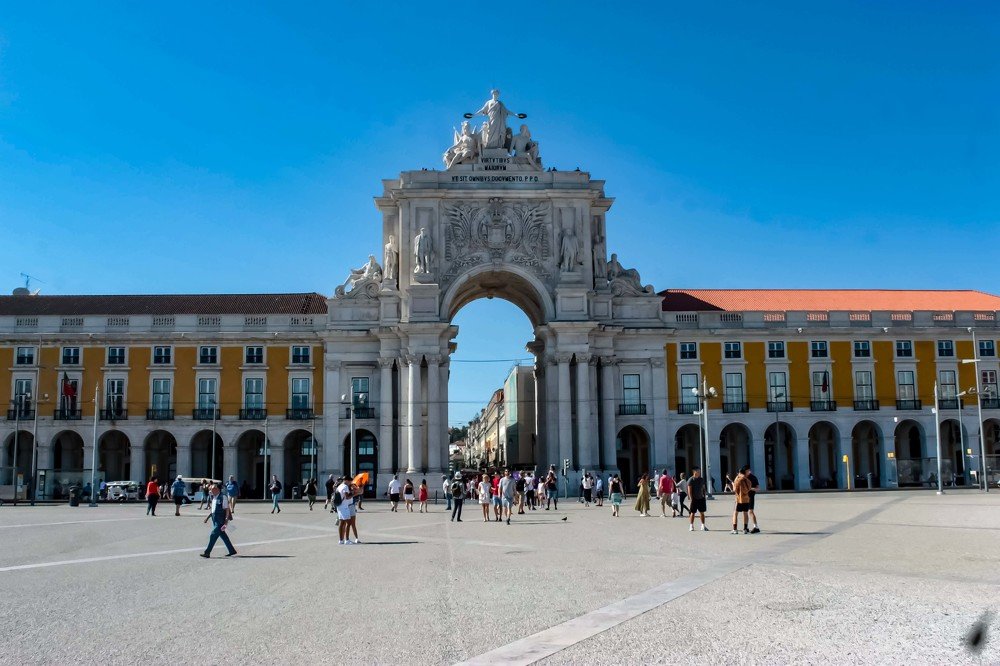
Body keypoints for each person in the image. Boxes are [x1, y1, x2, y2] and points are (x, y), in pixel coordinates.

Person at [200, 483, 237, 558]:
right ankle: (231, 550)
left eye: (212, 489)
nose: (210, 491)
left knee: (213, 534)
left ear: (217, 489)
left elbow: (227, 509)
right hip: (215, 519)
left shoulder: (223, 497)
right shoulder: (213, 497)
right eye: (210, 489)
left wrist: (226, 520)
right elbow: (213, 510)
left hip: (220, 520)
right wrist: (207, 518)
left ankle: (207, 552)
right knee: (223, 536)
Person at [335, 476, 356, 545]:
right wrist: (354, 494)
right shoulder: (345, 487)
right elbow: (347, 497)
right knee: (348, 523)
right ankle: (347, 540)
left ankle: (341, 540)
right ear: (346, 480)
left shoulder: (340, 486)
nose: (350, 483)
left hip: (339, 506)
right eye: (350, 481)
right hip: (344, 507)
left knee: (342, 523)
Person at [732, 466, 752, 535]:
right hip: (746, 499)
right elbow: (749, 488)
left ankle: (735, 529)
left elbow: (734, 489)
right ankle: (745, 529)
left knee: (735, 513)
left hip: (738, 499)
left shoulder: (737, 479)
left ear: (739, 473)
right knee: (745, 513)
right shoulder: (747, 480)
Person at [746, 465, 762, 534]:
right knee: (745, 512)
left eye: (748, 470)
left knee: (750, 511)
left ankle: (756, 527)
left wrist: (750, 489)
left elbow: (758, 488)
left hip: (750, 496)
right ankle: (745, 527)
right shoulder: (744, 477)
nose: (748, 472)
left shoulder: (753, 477)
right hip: (744, 497)